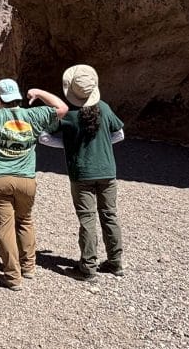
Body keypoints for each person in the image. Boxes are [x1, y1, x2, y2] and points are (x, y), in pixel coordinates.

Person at [0, 79, 67, 290]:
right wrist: (39, 91)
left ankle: (12, 276)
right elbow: (62, 108)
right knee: (25, 220)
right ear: (17, 97)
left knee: (4, 228)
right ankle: (29, 266)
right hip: (26, 179)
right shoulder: (33, 116)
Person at [40, 65, 126, 280]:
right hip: (107, 170)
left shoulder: (68, 114)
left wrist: (70, 146)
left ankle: (88, 267)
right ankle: (115, 262)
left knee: (87, 219)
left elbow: (44, 137)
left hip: (81, 172)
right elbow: (119, 134)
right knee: (110, 215)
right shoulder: (104, 108)